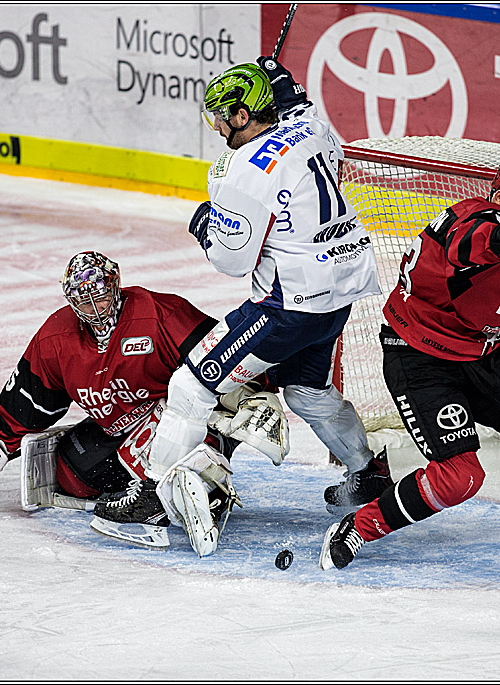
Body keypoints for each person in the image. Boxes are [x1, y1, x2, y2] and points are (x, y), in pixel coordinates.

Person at [96, 58, 392, 558]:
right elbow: (300, 103)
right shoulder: (311, 128)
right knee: (306, 392)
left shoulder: (241, 174)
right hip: (339, 292)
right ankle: (365, 473)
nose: (215, 126)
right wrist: (281, 79)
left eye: (219, 116)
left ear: (240, 115)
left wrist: (205, 224)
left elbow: (232, 262)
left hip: (287, 307)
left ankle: (150, 498)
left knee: (190, 386)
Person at [319, 152, 500, 571]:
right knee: (459, 477)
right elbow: (474, 241)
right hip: (418, 355)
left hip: (471, 350)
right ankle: (359, 525)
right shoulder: (477, 219)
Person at [0, 251, 287, 550]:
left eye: (101, 297)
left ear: (116, 286)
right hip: (119, 427)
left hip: (180, 418)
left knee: (186, 427)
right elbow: (28, 402)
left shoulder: (161, 314)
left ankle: (200, 480)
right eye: (83, 301)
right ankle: (156, 486)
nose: (94, 309)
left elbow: (226, 356)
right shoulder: (57, 338)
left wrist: (254, 392)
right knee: (71, 476)